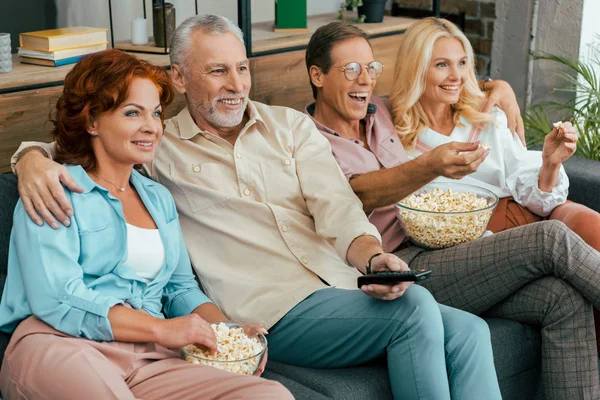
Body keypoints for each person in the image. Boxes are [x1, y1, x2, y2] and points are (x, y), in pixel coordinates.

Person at [10, 15, 502, 400]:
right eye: (218, 70)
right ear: (180, 78)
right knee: (415, 309)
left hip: (338, 284)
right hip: (270, 308)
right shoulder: (160, 147)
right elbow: (83, 143)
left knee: (469, 332)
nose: (237, 84)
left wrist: (371, 258)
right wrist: (27, 158)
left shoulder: (288, 127)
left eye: (242, 67)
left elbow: (337, 206)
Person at [304, 20, 600, 399]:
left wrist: (499, 87)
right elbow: (358, 192)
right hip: (398, 264)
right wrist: (430, 165)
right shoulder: (306, 139)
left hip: (445, 248)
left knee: (562, 299)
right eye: (351, 70)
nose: (364, 80)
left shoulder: (377, 110)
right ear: (317, 75)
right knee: (551, 238)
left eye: (371, 69)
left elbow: (445, 86)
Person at [0, 49, 292, 400]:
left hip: (147, 358)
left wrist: (226, 332)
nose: (151, 126)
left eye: (155, 113)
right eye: (132, 113)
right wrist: (162, 328)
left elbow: (180, 289)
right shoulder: (54, 190)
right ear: (92, 121)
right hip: (61, 347)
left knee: (270, 395)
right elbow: (58, 298)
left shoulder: (158, 198)